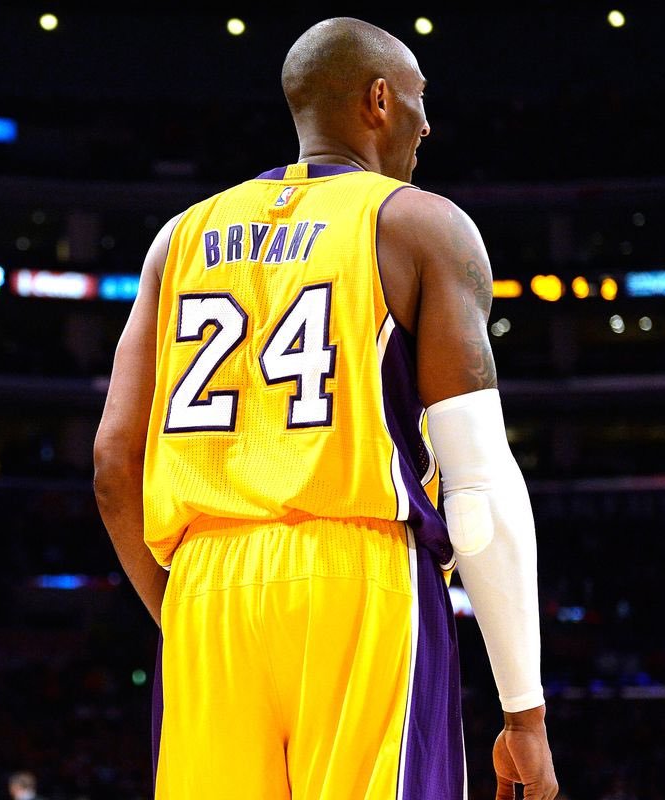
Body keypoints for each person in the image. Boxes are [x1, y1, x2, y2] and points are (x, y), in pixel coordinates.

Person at [93, 16, 557, 800]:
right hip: (358, 571)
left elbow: (113, 465)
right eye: (417, 98)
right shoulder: (420, 224)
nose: (426, 123)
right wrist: (526, 712)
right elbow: (478, 489)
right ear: (379, 100)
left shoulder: (178, 238)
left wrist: (186, 611)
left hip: (205, 581)